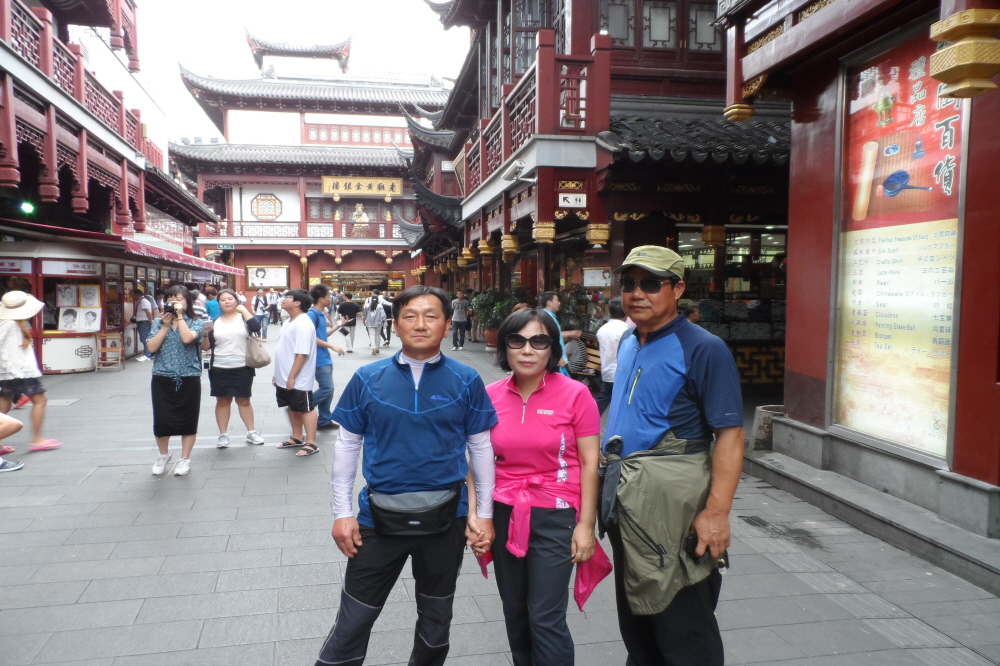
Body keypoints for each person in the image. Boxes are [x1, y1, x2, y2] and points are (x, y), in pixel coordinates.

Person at [317, 285, 498, 666]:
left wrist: (484, 514)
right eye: (410, 316)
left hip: (446, 518)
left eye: (431, 316)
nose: (420, 324)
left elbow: (481, 449)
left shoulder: (467, 379)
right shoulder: (367, 377)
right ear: (394, 325)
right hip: (377, 518)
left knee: (436, 621)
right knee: (354, 620)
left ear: (447, 325)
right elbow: (347, 447)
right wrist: (342, 513)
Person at [603, 246, 744, 666]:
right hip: (627, 505)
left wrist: (716, 513)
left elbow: (731, 434)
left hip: (673, 512)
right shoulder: (628, 340)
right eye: (629, 283)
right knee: (638, 621)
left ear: (678, 289)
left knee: (683, 625)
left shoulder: (703, 348)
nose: (637, 293)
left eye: (651, 283)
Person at [485, 308, 605, 666]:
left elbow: (590, 464)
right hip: (504, 512)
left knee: (545, 615)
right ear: (505, 347)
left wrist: (586, 526)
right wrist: (479, 516)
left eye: (538, 341)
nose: (527, 350)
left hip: (557, 516)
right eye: (517, 340)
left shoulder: (576, 394)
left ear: (552, 348)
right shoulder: (489, 395)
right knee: (514, 609)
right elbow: (478, 461)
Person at [146, 285, 206, 476]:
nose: (174, 302)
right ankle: (163, 454)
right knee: (162, 420)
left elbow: (187, 338)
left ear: (188, 302)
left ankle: (185, 458)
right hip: (162, 376)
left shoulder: (196, 322)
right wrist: (165, 326)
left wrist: (179, 317)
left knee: (188, 419)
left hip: (188, 376)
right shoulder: (158, 322)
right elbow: (151, 347)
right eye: (171, 299)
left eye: (179, 299)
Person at [0, 291, 61, 452]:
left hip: (10, 370)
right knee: (40, 400)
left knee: (4, 404)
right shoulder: (9, 323)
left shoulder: (13, 322)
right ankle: (36, 439)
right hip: (17, 370)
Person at [204, 289, 264, 448]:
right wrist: (204, 335)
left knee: (244, 400)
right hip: (219, 367)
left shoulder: (243, 318)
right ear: (218, 303)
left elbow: (256, 327)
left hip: (242, 366)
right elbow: (207, 347)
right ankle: (223, 435)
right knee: (223, 401)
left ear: (236, 301)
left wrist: (244, 310)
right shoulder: (215, 322)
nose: (227, 302)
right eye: (223, 299)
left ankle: (251, 432)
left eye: (230, 298)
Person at [273, 289, 320, 457]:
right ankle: (297, 437)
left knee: (305, 408)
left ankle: (311, 442)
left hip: (298, 376)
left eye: (287, 297)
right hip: (284, 374)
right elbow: (283, 349)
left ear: (297, 302)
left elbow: (302, 353)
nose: (283, 299)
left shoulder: (303, 323)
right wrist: (277, 374)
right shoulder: (289, 321)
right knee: (291, 405)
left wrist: (292, 376)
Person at [307, 284, 346, 431]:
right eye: (328, 296)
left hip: (325, 357)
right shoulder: (311, 315)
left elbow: (323, 334)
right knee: (327, 388)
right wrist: (332, 346)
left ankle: (324, 420)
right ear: (321, 299)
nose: (330, 299)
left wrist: (338, 326)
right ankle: (301, 407)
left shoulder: (321, 314)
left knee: (328, 390)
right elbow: (310, 337)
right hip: (317, 359)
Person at [595, 298, 629, 415]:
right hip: (621, 374)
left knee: (601, 402)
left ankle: (587, 420)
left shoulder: (602, 329)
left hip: (607, 372)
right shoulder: (626, 331)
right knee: (621, 406)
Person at [537, 292, 581, 377]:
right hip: (556, 360)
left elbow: (554, 334)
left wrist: (570, 333)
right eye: (557, 300)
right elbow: (548, 337)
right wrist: (558, 357)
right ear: (549, 302)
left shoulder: (548, 316)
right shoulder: (546, 317)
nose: (559, 303)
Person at [132, 289, 156, 362]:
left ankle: (147, 355)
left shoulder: (143, 301)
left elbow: (148, 312)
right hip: (143, 322)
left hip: (144, 323)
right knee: (145, 338)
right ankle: (147, 354)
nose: (132, 297)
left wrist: (150, 320)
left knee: (145, 339)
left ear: (137, 294)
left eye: (132, 295)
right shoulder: (142, 301)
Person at [362, 289, 386, 355]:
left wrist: (364, 320)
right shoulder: (380, 306)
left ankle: (373, 348)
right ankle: (377, 348)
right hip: (378, 322)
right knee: (377, 335)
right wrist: (385, 320)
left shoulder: (367, 306)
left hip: (369, 322)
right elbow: (383, 315)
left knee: (371, 335)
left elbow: (364, 314)